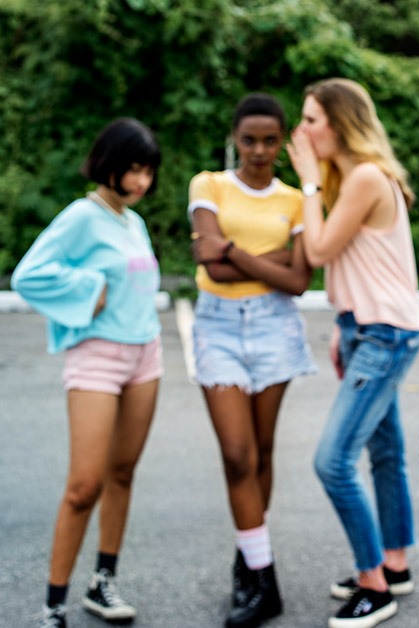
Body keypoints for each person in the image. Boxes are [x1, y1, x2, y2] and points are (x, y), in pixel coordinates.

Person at [11, 118, 164, 628]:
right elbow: (28, 274)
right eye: (133, 170)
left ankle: (103, 584)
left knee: (122, 474)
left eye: (148, 172)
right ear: (109, 164)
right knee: (84, 485)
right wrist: (86, 287)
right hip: (97, 357)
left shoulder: (133, 221)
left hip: (146, 355)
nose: (141, 181)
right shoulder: (82, 215)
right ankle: (53, 605)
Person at [286, 78, 419, 628]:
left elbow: (320, 249)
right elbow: (351, 267)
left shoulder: (366, 176)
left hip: (385, 336)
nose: (302, 131)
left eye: (311, 119)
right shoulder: (354, 177)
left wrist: (305, 183)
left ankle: (374, 586)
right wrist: (343, 325)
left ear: (340, 124)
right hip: (367, 330)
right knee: (385, 454)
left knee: (332, 461)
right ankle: (393, 564)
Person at [188, 93, 317, 628]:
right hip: (217, 327)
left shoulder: (294, 199)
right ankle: (266, 583)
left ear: (282, 141)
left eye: (269, 141)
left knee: (262, 452)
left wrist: (234, 252)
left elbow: (300, 280)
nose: (259, 150)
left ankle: (249, 556)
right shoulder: (209, 184)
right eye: (249, 140)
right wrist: (272, 260)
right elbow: (208, 265)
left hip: (275, 328)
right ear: (235, 138)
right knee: (238, 455)